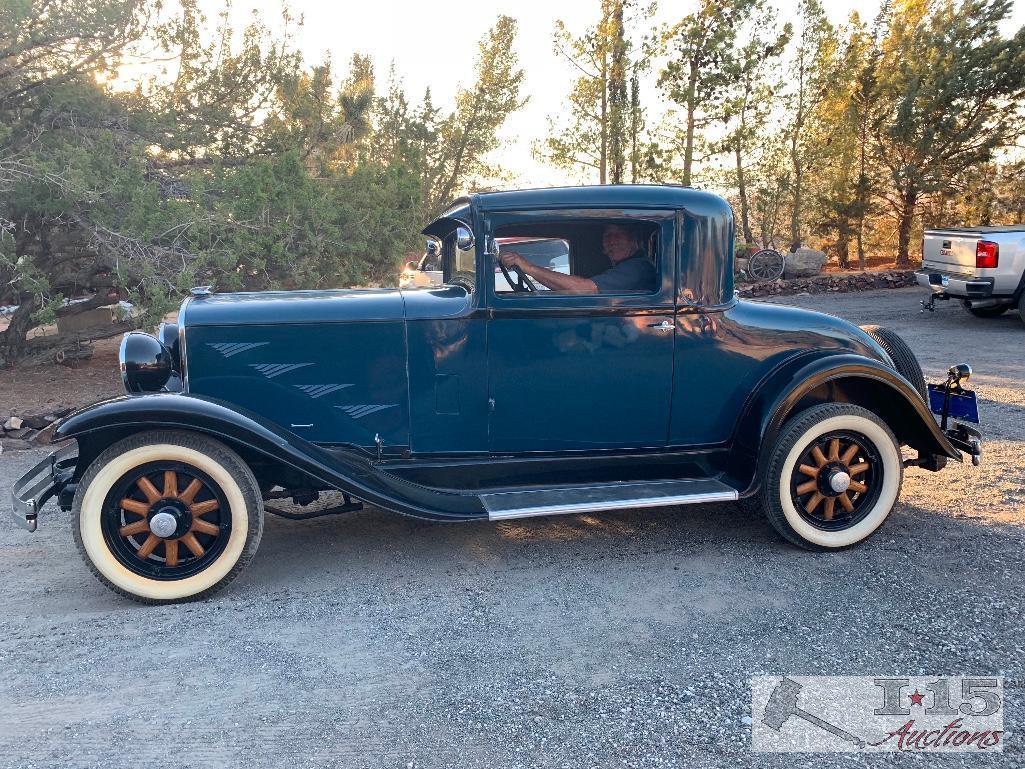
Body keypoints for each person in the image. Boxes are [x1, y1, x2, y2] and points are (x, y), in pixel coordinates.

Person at [499, 223, 655, 293]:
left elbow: (586, 289)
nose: (612, 240)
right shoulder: (623, 268)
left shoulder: (637, 268)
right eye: (607, 235)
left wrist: (529, 268)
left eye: (619, 234)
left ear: (634, 240)